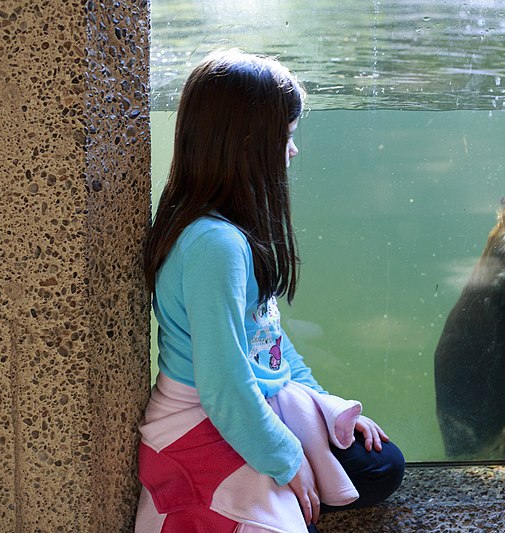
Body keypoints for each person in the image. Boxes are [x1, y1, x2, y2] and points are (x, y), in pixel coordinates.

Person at [135, 50, 404, 533]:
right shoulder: (214, 245)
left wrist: (325, 403)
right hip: (200, 418)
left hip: (254, 395)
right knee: (308, 495)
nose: (293, 150)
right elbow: (222, 387)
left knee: (380, 464)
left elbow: (269, 342)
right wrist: (288, 460)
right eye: (287, 136)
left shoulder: (229, 231)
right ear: (248, 144)